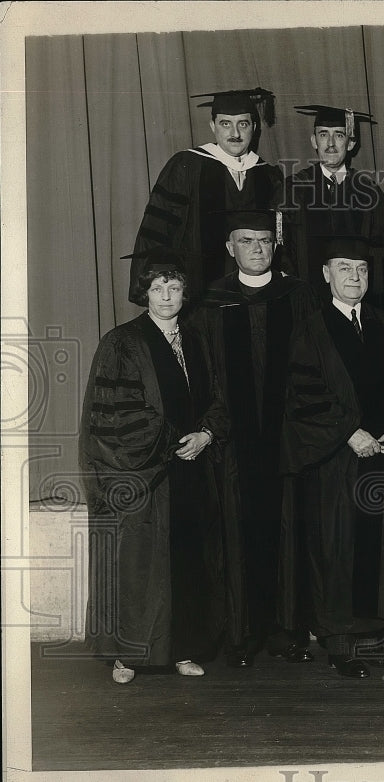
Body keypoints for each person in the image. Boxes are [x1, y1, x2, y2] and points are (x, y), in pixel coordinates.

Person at [81, 247, 228, 683]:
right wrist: (170, 441)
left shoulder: (198, 339)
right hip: (146, 473)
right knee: (140, 564)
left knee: (189, 563)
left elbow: (221, 398)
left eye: (175, 287)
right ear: (144, 293)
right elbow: (113, 413)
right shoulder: (122, 342)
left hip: (194, 468)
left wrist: (206, 434)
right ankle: (129, 656)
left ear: (186, 293)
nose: (167, 296)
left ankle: (183, 649)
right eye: (158, 288)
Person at [281, 235, 384, 678]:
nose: (354, 277)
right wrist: (347, 433)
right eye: (344, 269)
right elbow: (304, 396)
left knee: (379, 548)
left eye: (360, 270)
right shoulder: (310, 328)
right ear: (326, 275)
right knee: (336, 549)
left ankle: (370, 638)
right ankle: (339, 642)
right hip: (336, 461)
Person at [197, 209, 319, 668]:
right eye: (247, 240)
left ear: (276, 245)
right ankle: (241, 632)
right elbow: (205, 374)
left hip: (287, 440)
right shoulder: (211, 302)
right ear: (230, 247)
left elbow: (315, 368)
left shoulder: (298, 295)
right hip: (234, 443)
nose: (257, 248)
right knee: (237, 531)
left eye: (265, 241)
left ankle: (287, 630)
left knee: (287, 531)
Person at [129, 87, 284, 304]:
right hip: (197, 289)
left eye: (243, 124)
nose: (235, 133)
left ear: (254, 127)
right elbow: (158, 228)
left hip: (253, 291)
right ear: (213, 126)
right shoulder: (186, 165)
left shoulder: (267, 174)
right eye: (225, 124)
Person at [280, 104, 384, 299]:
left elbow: (380, 250)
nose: (330, 143)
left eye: (339, 135)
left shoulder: (369, 192)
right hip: (305, 298)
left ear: (350, 143)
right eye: (323, 135)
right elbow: (281, 247)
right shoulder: (294, 188)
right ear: (314, 141)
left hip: (357, 298)